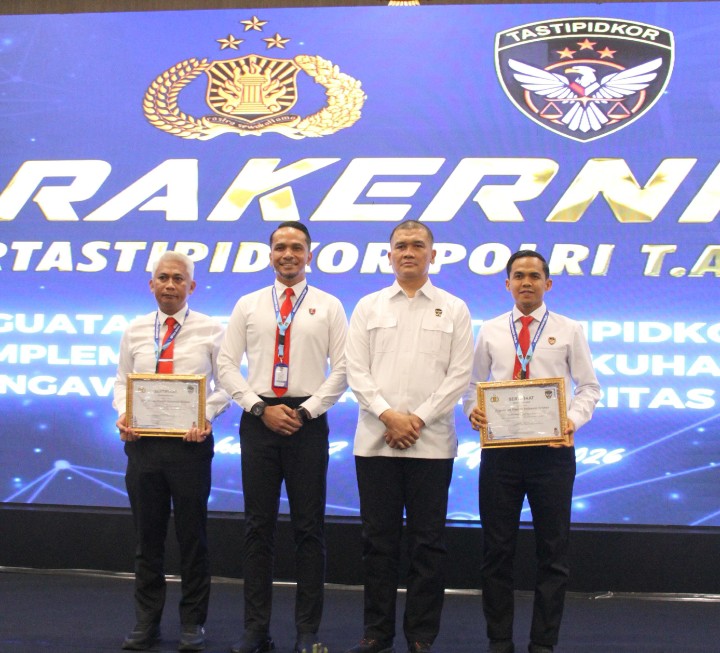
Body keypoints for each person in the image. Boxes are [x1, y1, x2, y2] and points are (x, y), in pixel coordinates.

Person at [217, 221, 348, 653]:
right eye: (279, 247)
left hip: (307, 421)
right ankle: (256, 630)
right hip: (259, 420)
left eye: (296, 247)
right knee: (258, 527)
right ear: (270, 254)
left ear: (309, 254)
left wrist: (307, 411)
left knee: (309, 528)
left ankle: (307, 632)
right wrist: (259, 408)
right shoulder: (248, 304)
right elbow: (225, 365)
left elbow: (344, 368)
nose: (287, 254)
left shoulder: (329, 305)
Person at [344, 220, 474, 653]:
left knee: (428, 545)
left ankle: (421, 635)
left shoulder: (454, 308)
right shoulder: (368, 306)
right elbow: (356, 371)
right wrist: (388, 416)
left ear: (432, 255)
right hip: (375, 442)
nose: (408, 252)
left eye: (418, 245)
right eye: (401, 246)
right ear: (389, 255)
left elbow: (459, 375)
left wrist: (416, 419)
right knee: (377, 543)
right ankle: (376, 633)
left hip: (431, 445)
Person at [463, 250, 601, 653]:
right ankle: (499, 640)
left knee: (553, 553)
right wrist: (473, 411)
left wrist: (571, 420)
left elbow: (589, 387)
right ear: (507, 283)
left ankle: (543, 643)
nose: (526, 282)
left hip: (552, 454)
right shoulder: (490, 330)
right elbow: (472, 385)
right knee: (497, 551)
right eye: (519, 276)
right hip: (501, 454)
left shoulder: (569, 329)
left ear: (548, 284)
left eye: (534, 276)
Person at [113, 250, 231, 652]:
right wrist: (124, 411)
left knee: (193, 538)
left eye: (178, 279)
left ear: (191, 286)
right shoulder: (134, 329)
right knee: (148, 540)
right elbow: (121, 381)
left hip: (190, 448)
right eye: (163, 278)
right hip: (143, 447)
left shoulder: (212, 329)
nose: (169, 285)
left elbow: (226, 386)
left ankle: (192, 623)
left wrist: (205, 415)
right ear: (151, 284)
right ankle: (146, 622)